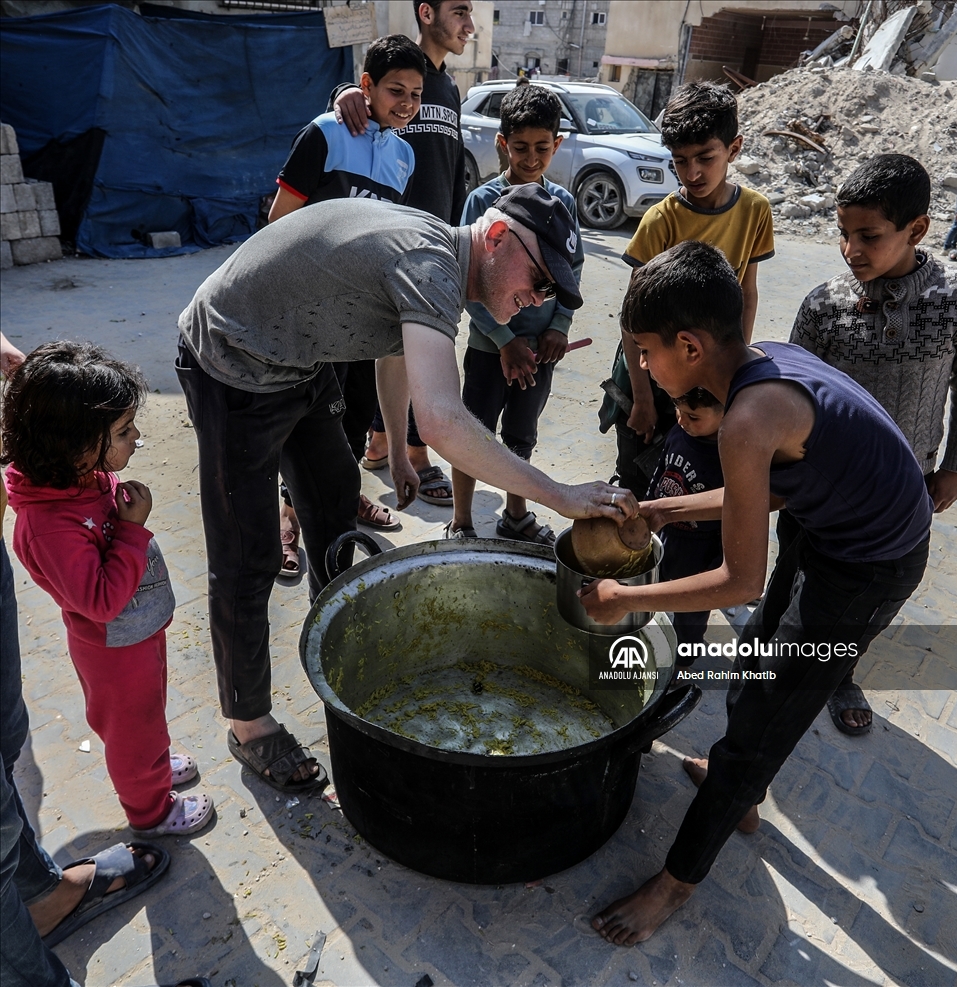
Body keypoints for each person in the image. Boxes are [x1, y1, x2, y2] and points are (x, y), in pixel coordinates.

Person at [174, 184, 637, 796]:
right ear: (496, 236)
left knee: (336, 501)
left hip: (299, 363)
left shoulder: (438, 261)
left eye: (550, 293)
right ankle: (248, 722)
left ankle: (336, 652)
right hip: (231, 357)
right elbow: (444, 420)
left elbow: (393, 352)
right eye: (538, 278)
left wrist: (394, 449)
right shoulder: (431, 263)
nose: (536, 299)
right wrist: (560, 495)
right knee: (246, 551)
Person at [580, 240, 932, 946]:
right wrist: (661, 511)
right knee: (758, 659)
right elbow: (766, 490)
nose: (643, 367)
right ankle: (738, 788)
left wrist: (625, 597)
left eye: (647, 352)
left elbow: (736, 579)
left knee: (772, 713)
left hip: (872, 562)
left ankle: (677, 880)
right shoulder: (759, 362)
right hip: (828, 524)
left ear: (688, 344)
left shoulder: (746, 419)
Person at [791, 153, 957, 735]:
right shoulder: (825, 302)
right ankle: (783, 660)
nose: (852, 250)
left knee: (881, 590)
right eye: (844, 235)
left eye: (869, 236)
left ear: (918, 229)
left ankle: (841, 668)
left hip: (909, 486)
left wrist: (956, 464)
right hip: (822, 486)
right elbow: (788, 391)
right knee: (802, 583)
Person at [1, 342, 214, 838]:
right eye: (123, 432)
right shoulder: (48, 524)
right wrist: (133, 529)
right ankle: (151, 810)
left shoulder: (78, 477)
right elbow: (99, 601)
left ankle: (153, 763)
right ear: (72, 445)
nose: (136, 437)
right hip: (113, 647)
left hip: (136, 634)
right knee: (130, 729)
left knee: (147, 714)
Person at [269, 34, 427, 568]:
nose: (405, 103)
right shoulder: (326, 133)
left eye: (414, 93)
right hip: (311, 316)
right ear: (366, 87)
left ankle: (342, 499)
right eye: (394, 90)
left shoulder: (404, 156)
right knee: (306, 423)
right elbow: (278, 221)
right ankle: (287, 522)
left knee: (354, 417)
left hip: (363, 315)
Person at [598, 82, 774, 500]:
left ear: (734, 148)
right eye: (680, 161)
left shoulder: (755, 211)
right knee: (638, 477)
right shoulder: (661, 220)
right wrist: (641, 397)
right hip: (650, 373)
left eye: (705, 158)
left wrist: (737, 370)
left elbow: (746, 293)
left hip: (709, 373)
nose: (692, 173)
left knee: (691, 475)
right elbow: (632, 317)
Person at [333, 0, 478, 508]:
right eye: (460, 11)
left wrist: (455, 236)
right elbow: (355, 109)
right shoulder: (396, 75)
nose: (469, 24)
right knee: (375, 356)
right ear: (426, 13)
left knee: (404, 352)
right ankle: (401, 454)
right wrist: (344, 91)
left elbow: (453, 166)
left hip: (432, 243)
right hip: (383, 245)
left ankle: (384, 446)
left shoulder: (449, 88)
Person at [450, 84, 584, 543]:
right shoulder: (480, 204)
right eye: (520, 147)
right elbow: (468, 282)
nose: (531, 158)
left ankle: (516, 516)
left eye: (542, 148)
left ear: (557, 145)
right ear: (501, 143)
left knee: (521, 437)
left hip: (540, 351)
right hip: (489, 349)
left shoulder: (562, 206)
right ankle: (462, 521)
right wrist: (505, 341)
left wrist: (559, 329)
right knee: (473, 435)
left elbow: (574, 270)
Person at [644, 387, 724, 655]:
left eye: (693, 416)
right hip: (664, 536)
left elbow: (734, 516)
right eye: (678, 410)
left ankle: (683, 661)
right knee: (651, 595)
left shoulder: (730, 455)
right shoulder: (678, 433)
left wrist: (717, 565)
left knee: (691, 614)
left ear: (725, 412)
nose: (682, 420)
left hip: (701, 552)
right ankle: (648, 645)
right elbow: (660, 472)